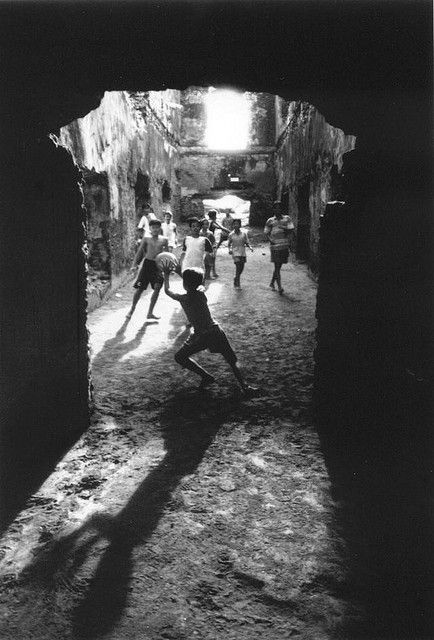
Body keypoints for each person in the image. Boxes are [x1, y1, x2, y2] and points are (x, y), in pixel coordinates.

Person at [163, 267, 257, 395]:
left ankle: (206, 376)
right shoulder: (201, 293)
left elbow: (167, 291)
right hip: (215, 331)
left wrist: (166, 275)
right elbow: (199, 285)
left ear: (185, 284)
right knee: (232, 360)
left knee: (180, 357)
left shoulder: (183, 298)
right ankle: (244, 386)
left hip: (200, 335)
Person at [127, 219, 168, 320]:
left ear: (160, 228)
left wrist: (166, 268)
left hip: (158, 266)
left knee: (157, 288)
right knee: (140, 289)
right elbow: (140, 253)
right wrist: (135, 265)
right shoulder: (146, 239)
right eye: (153, 227)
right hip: (147, 265)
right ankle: (132, 309)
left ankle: (150, 312)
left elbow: (166, 255)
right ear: (150, 228)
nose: (155, 229)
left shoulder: (164, 240)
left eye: (157, 227)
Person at [264, 200, 294, 295]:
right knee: (277, 266)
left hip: (284, 245)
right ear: (273, 209)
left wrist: (283, 227)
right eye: (276, 208)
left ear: (281, 209)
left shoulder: (287, 219)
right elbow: (266, 232)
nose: (277, 209)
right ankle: (280, 287)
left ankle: (272, 283)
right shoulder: (270, 220)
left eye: (279, 207)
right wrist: (270, 240)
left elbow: (291, 229)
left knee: (279, 266)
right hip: (274, 246)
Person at [228, 218, 253, 288]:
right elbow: (229, 244)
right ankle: (238, 284)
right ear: (233, 225)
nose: (236, 225)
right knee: (238, 267)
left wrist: (250, 247)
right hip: (235, 252)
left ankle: (236, 278)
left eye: (237, 224)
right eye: (234, 224)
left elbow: (247, 242)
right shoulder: (231, 234)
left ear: (240, 225)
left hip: (242, 252)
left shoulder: (244, 234)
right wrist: (229, 250)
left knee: (241, 267)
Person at [207, 209, 229, 277]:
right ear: (214, 215)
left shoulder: (207, 221)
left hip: (206, 240)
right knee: (212, 257)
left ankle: (212, 273)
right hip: (211, 241)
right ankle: (211, 273)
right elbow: (220, 227)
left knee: (208, 257)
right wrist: (229, 231)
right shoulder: (212, 222)